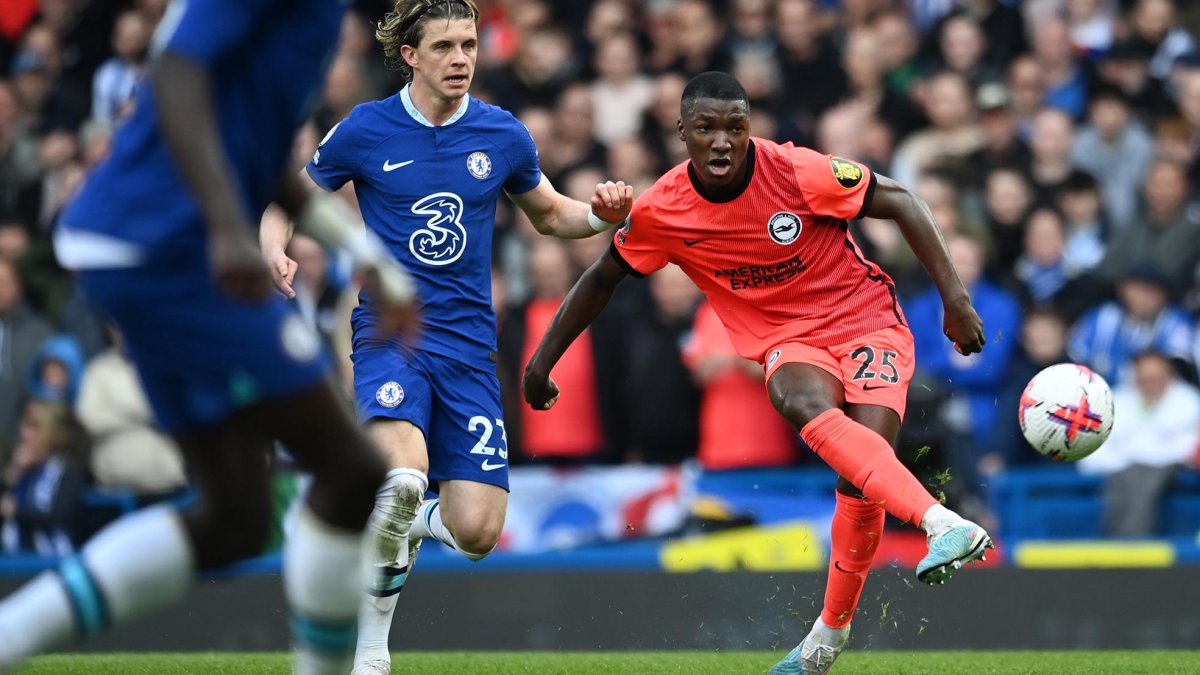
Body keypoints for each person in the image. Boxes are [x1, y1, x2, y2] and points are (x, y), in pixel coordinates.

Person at [522, 72, 991, 675]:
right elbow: (601, 279)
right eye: (707, 129)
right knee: (797, 397)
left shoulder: (796, 171)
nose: (722, 141)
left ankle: (826, 641)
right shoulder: (665, 207)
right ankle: (942, 522)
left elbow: (900, 198)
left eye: (735, 128)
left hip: (866, 321)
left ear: (749, 129)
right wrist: (540, 363)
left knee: (865, 472)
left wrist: (954, 299)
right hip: (790, 339)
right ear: (683, 132)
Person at [0, 1, 418, 673]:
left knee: (235, 518)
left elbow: (260, 154)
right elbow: (175, 74)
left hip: (143, 248)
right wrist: (227, 226)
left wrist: (367, 254)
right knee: (353, 467)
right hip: (163, 246)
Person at [257, 2, 633, 673]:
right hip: (391, 335)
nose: (462, 59)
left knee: (478, 531)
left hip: (469, 352)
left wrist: (600, 216)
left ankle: (403, 526)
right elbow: (286, 197)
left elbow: (550, 214)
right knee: (401, 478)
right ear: (410, 54)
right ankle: (371, 651)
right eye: (446, 47)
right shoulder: (366, 128)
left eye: (469, 44)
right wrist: (273, 248)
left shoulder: (501, 132)